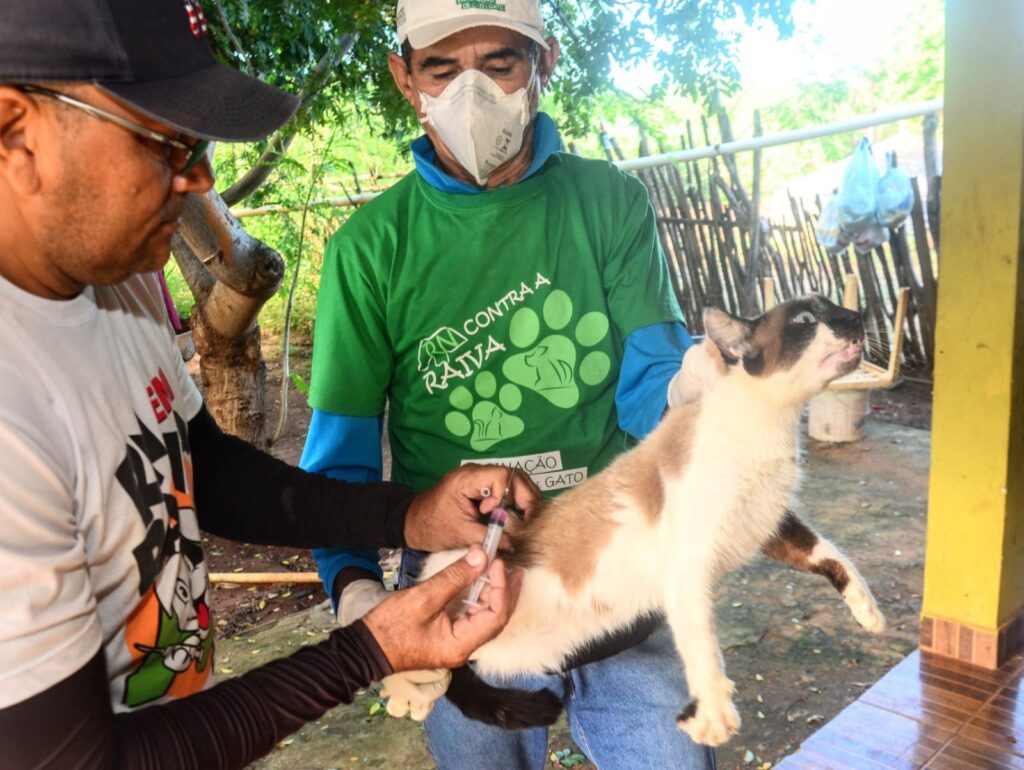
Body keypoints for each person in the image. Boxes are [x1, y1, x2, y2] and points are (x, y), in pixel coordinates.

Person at [0, 1, 541, 768]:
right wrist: (367, 650)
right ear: (15, 131)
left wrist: (411, 515)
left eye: (199, 144)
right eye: (166, 143)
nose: (200, 180)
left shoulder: (113, 282)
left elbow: (204, 469)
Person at [303, 1, 717, 767]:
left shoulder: (608, 203)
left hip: (611, 561)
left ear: (544, 63)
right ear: (403, 78)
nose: (473, 93)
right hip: (459, 584)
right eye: (441, 69)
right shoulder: (370, 250)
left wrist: (690, 389)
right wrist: (357, 588)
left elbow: (650, 380)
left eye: (500, 64)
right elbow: (341, 459)